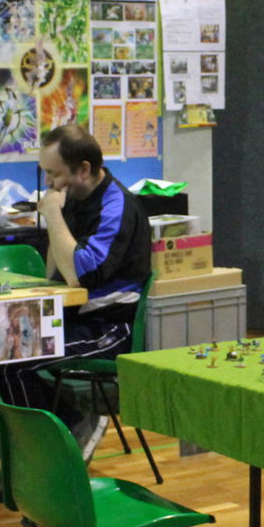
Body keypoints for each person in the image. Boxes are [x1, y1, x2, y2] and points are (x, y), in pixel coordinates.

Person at [31, 123, 151, 454]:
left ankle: (74, 423)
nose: (48, 184)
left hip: (110, 325)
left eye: (53, 174)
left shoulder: (117, 206)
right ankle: (36, 443)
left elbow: (79, 276)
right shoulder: (72, 198)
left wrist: (53, 214)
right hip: (74, 316)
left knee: (20, 357)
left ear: (83, 169)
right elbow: (53, 269)